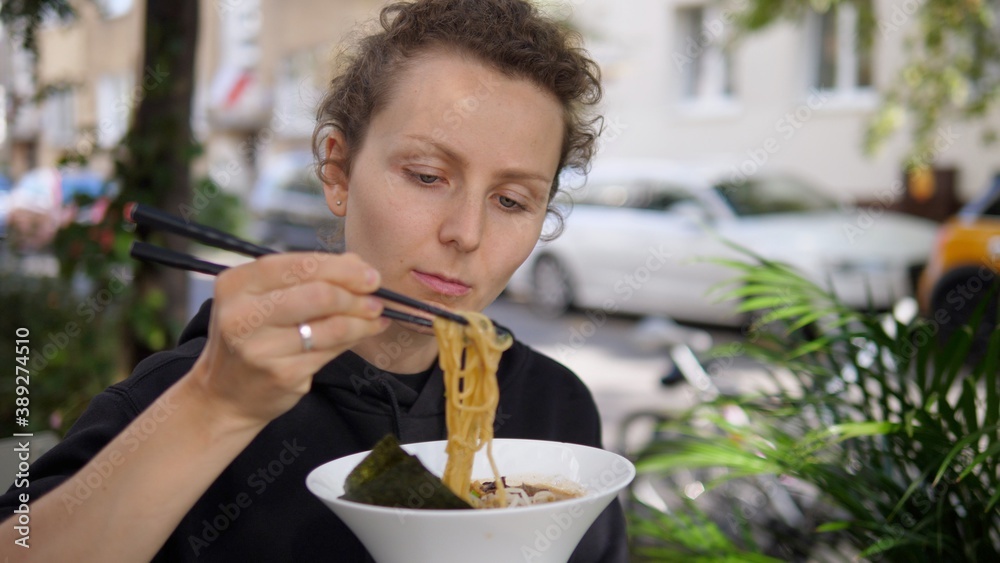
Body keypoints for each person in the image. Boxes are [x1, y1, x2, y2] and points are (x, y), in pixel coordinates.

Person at [0, 0, 626, 560]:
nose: (466, 232)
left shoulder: (554, 406)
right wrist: (216, 407)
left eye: (512, 201)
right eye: (427, 176)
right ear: (338, 171)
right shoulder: (186, 393)